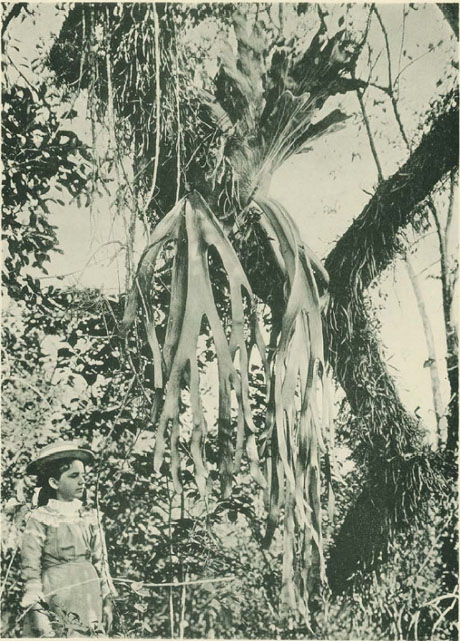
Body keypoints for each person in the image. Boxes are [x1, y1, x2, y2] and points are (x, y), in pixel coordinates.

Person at [21, 440, 116, 637]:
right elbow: (31, 567)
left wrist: (107, 600)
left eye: (83, 476)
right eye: (74, 476)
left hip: (89, 591)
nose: (82, 481)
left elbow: (100, 560)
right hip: (56, 591)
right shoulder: (41, 518)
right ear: (54, 482)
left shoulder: (89, 516)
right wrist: (37, 609)